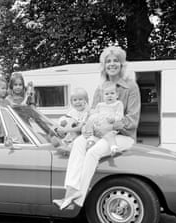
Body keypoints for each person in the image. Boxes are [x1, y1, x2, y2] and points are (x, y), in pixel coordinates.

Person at [53, 45, 141, 210]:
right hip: (99, 133)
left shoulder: (131, 87)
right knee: (79, 142)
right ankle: (70, 192)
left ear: (122, 64)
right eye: (108, 61)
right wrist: (87, 127)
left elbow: (132, 120)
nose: (112, 64)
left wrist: (108, 126)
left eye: (116, 61)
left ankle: (78, 199)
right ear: (104, 65)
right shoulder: (101, 88)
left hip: (122, 136)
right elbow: (92, 113)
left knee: (93, 152)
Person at [84, 81, 124, 155]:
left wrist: (114, 119)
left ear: (117, 95)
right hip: (98, 126)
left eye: (112, 93)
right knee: (89, 125)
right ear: (103, 96)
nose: (109, 96)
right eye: (106, 94)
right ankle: (90, 142)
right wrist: (90, 114)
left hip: (109, 127)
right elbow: (95, 114)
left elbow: (120, 115)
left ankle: (114, 148)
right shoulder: (100, 105)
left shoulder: (118, 104)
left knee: (110, 136)